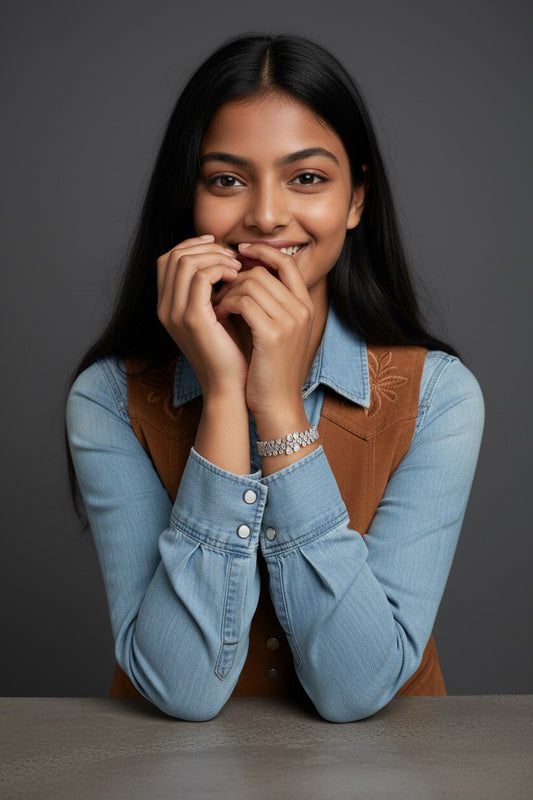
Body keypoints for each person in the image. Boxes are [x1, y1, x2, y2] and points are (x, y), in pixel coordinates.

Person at [66, 33, 484, 722]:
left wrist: (280, 409)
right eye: (226, 179)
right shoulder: (110, 398)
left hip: (390, 777)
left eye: (307, 178)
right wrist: (226, 398)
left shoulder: (437, 396)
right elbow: (181, 689)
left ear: (355, 201)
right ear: (189, 199)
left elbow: (355, 690)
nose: (264, 214)